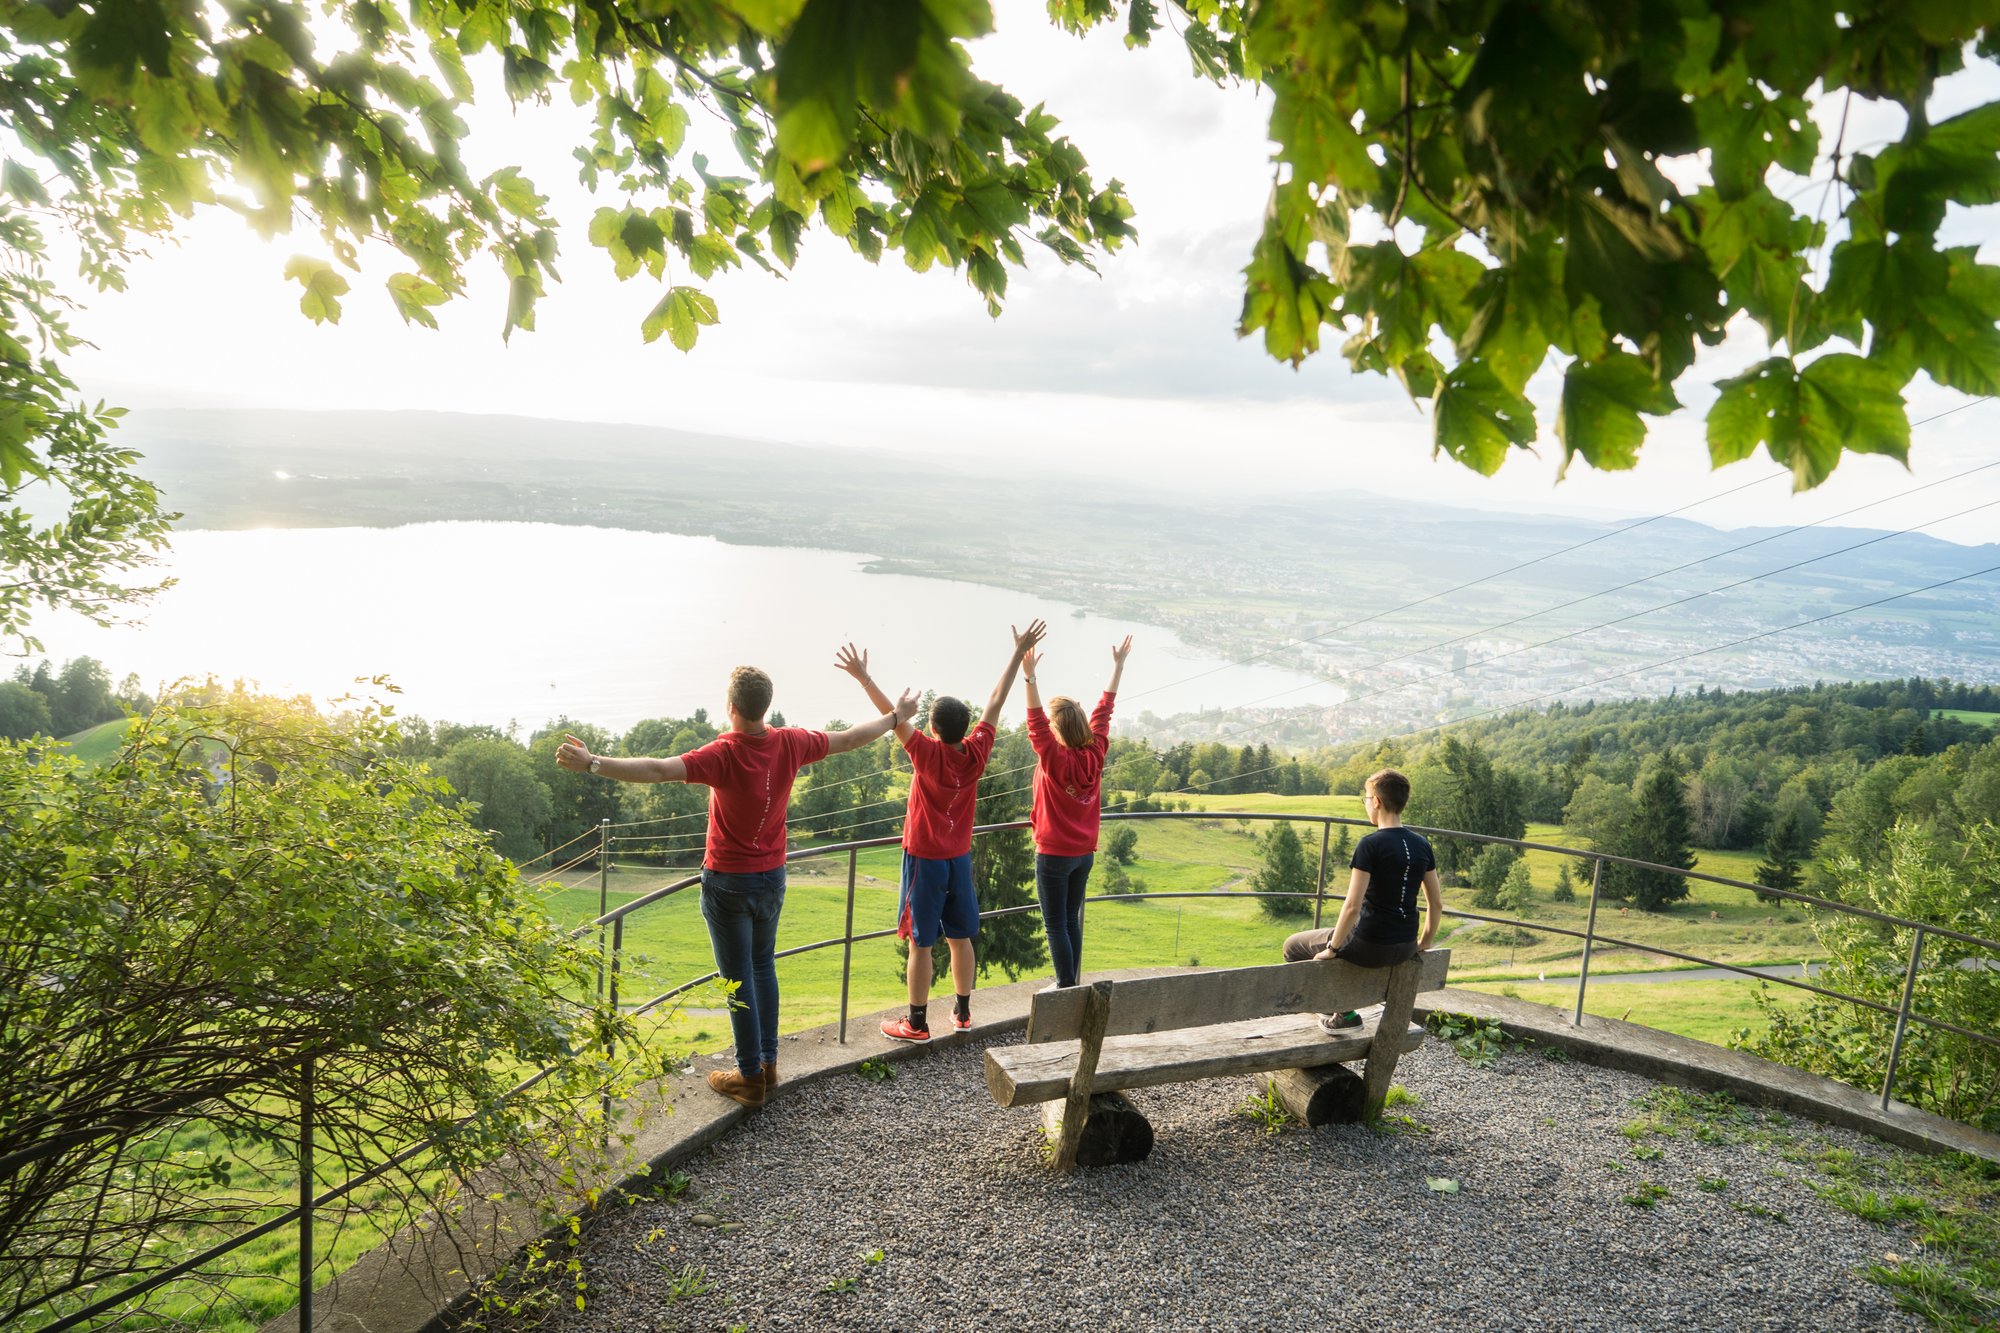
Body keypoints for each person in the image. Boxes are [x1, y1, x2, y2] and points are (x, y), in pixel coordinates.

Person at [555, 664, 915, 1108]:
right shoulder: (790, 742)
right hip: (772, 878)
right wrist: (896, 718)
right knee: (763, 967)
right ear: (765, 707)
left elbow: (658, 769)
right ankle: (767, 1064)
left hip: (728, 883)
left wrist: (593, 763)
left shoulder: (723, 753)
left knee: (736, 980)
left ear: (730, 708)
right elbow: (850, 738)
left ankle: (748, 1078)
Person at [834, 621, 1046, 1043]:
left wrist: (864, 678)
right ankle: (963, 1013)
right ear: (964, 728)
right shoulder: (977, 751)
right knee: (962, 936)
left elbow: (892, 720)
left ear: (932, 729)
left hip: (924, 861)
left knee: (921, 943)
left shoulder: (927, 754)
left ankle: (916, 1023)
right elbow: (995, 701)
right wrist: (1017, 653)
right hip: (957, 859)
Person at [1281, 767, 1444, 1031]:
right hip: (1404, 946)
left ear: (1377, 801)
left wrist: (1332, 949)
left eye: (1367, 798)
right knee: (1332, 944)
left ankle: (1343, 1013)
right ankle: (1340, 1007)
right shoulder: (1422, 844)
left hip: (1369, 944)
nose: (1366, 804)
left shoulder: (1371, 844)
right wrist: (1423, 942)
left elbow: (1352, 907)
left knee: (1292, 947)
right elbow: (1436, 904)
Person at [1023, 635, 1132, 989]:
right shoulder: (1096, 751)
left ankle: (1066, 987)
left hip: (1054, 854)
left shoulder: (1054, 758)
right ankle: (1070, 982)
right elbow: (1104, 711)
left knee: (1055, 924)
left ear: (1057, 729)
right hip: (1084, 854)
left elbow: (1035, 721)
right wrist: (1118, 667)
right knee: (1070, 920)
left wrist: (1029, 677)